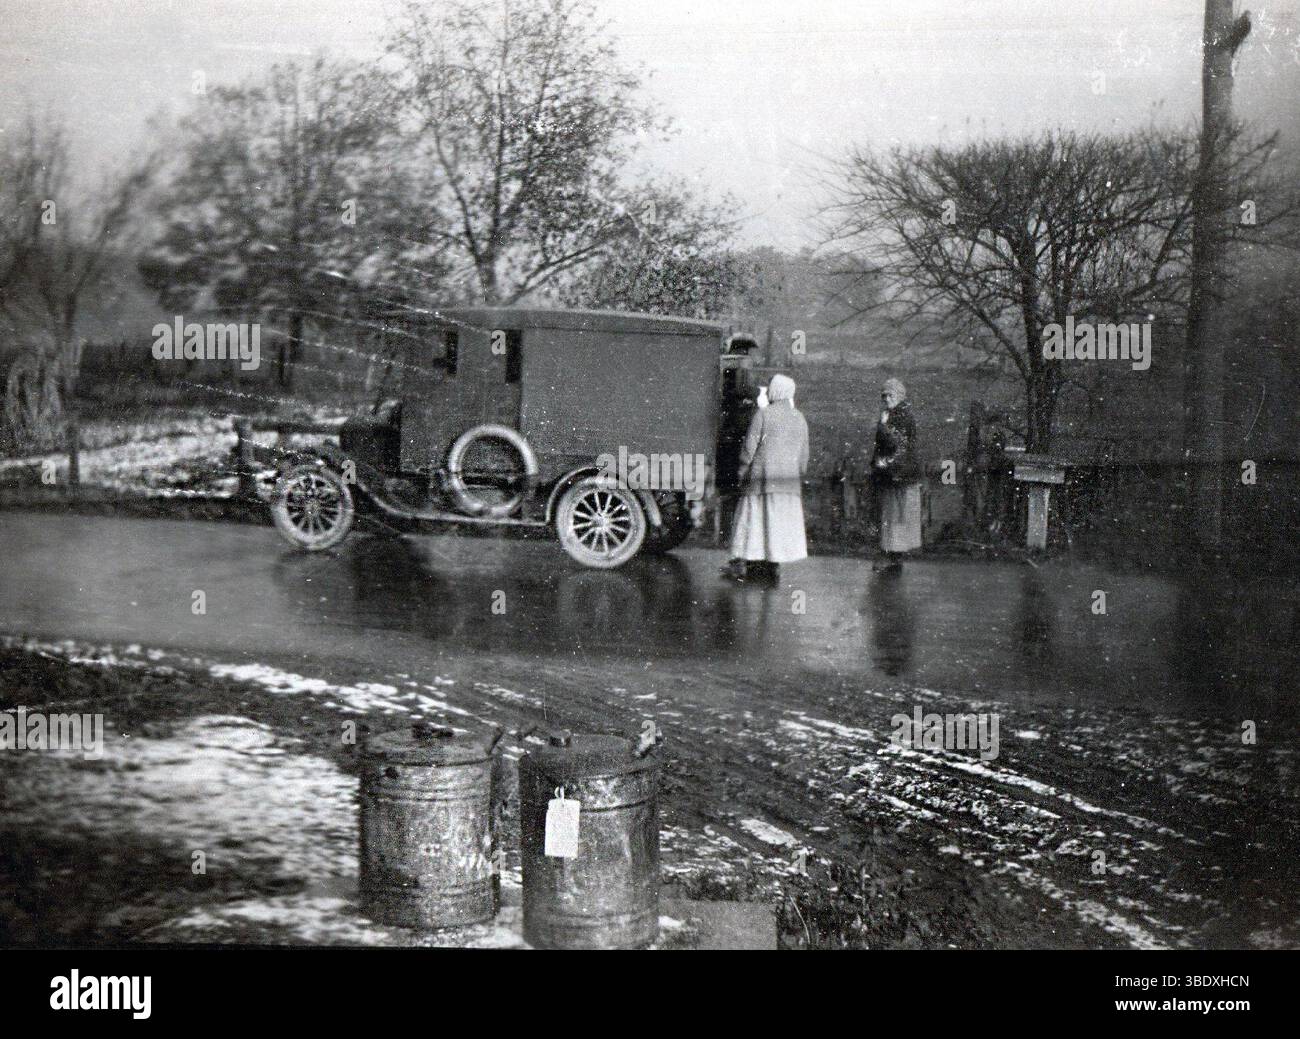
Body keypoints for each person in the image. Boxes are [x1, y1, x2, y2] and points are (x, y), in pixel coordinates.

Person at [723, 373, 809, 585]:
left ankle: (744, 561)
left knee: (753, 521)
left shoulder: (764, 415)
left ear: (775, 391)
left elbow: (749, 449)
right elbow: (804, 456)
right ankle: (773, 563)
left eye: (770, 388)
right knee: (778, 525)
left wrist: (742, 471)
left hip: (761, 478)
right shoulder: (800, 418)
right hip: (788, 483)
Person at [871, 377, 922, 573]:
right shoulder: (898, 413)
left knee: (895, 515)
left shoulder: (899, 416)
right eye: (884, 395)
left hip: (897, 474)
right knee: (894, 516)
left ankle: (892, 555)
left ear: (899, 396)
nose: (886, 399)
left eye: (890, 395)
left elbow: (894, 443)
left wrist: (882, 426)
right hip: (896, 473)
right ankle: (893, 555)